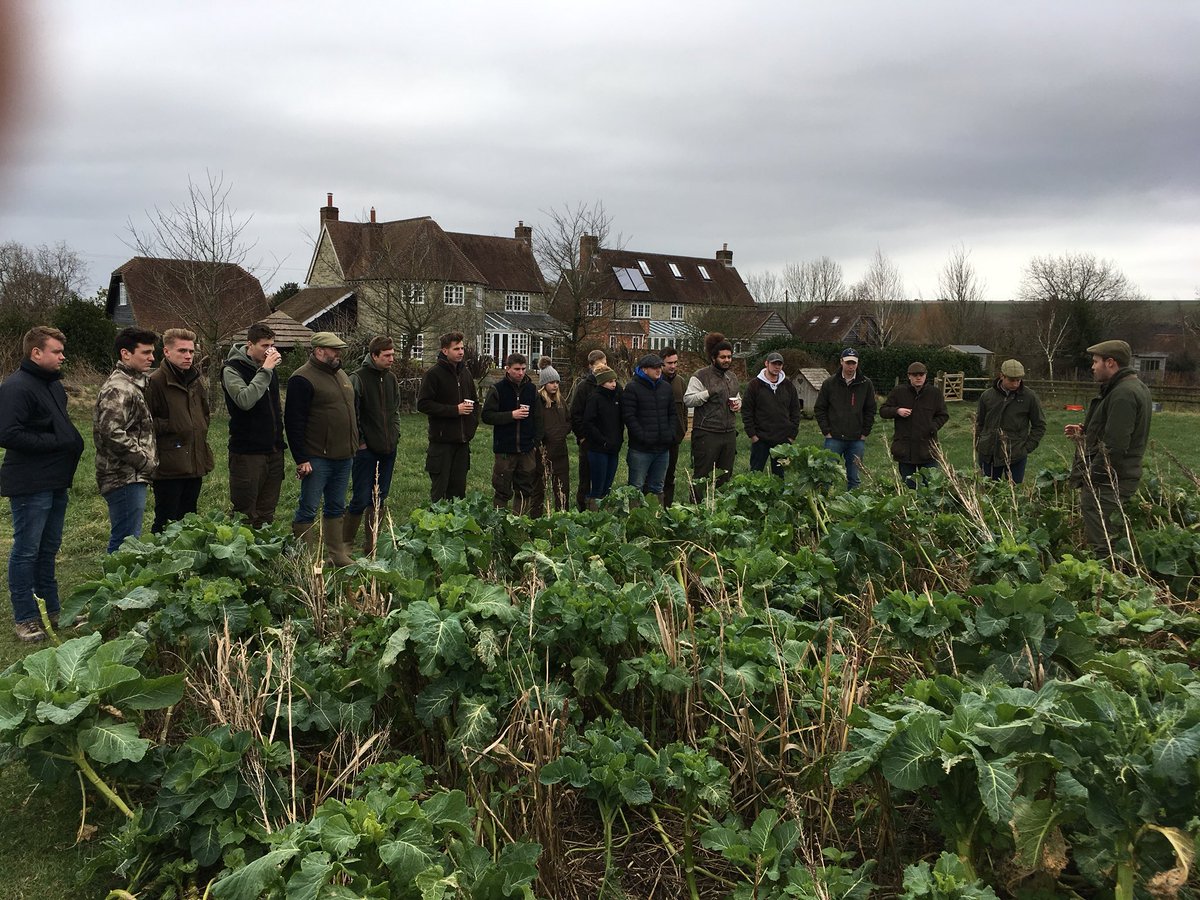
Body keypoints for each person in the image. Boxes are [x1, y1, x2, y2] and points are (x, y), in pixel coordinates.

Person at [0, 326, 85, 642]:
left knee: (48, 550)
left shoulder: (52, 386)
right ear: (36, 353)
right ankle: (25, 617)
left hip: (55, 480)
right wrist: (56, 441)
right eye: (57, 351)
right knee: (26, 551)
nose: (63, 356)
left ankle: (53, 610)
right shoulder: (17, 388)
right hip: (30, 483)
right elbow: (7, 433)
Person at [1065, 340, 1152, 556]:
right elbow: (1115, 427)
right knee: (1107, 532)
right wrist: (1086, 432)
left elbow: (1115, 445)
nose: (1093, 367)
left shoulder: (1123, 393)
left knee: (1103, 541)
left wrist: (1091, 477)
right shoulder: (1131, 388)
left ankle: (1109, 578)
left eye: (1096, 362)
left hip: (1109, 480)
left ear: (1110, 363)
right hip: (1115, 476)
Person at [285, 331, 357, 565]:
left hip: (344, 456)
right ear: (319, 351)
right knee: (309, 507)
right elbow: (293, 422)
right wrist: (301, 458)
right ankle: (304, 559)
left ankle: (336, 555)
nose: (339, 354)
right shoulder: (302, 379)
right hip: (317, 457)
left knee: (336, 506)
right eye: (334, 350)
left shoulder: (342, 375)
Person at [94, 326, 159, 553]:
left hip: (131, 475)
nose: (152, 357)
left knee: (129, 538)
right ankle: (115, 587)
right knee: (125, 541)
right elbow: (111, 432)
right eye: (146, 352)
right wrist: (144, 461)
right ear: (125, 353)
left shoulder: (134, 384)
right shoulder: (119, 387)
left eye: (152, 352)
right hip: (123, 476)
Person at [146, 327, 213, 532]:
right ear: (166, 352)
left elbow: (204, 414)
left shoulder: (196, 380)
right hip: (169, 465)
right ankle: (159, 561)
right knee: (166, 521)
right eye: (182, 351)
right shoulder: (155, 381)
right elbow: (145, 422)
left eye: (191, 352)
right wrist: (173, 424)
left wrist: (197, 428)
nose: (188, 356)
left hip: (194, 460)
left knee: (190, 518)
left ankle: (186, 561)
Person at [222, 321, 285, 528]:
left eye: (272, 346)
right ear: (250, 345)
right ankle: (241, 555)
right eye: (264, 346)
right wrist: (265, 371)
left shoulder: (270, 369)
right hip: (248, 452)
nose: (269, 351)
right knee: (245, 513)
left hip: (273, 450)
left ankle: (263, 553)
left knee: (267, 511)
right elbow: (244, 400)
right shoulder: (232, 369)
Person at [346, 336, 401, 554]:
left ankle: (372, 546)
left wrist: (396, 434)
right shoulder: (357, 378)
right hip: (365, 450)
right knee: (360, 498)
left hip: (389, 447)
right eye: (387, 355)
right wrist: (360, 442)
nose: (391, 359)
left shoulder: (391, 379)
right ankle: (345, 547)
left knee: (379, 497)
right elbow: (352, 413)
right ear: (374, 355)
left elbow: (395, 410)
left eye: (393, 354)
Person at [416, 331, 479, 503]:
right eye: (456, 349)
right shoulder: (433, 374)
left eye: (462, 348)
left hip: (462, 443)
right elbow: (423, 404)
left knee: (458, 494)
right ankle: (435, 527)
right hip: (441, 443)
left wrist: (471, 426)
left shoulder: (466, 374)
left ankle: (457, 528)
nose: (461, 352)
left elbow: (476, 402)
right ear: (445, 351)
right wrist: (454, 410)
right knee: (439, 494)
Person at [482, 353, 544, 514]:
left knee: (524, 489)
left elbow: (539, 418)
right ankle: (498, 523)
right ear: (507, 369)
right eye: (517, 369)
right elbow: (486, 416)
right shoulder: (497, 389)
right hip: (505, 449)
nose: (521, 373)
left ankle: (519, 523)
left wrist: (535, 443)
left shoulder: (532, 390)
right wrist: (511, 415)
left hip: (527, 449)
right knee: (502, 489)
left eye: (524, 369)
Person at [684, 332, 741, 494]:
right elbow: (688, 400)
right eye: (723, 357)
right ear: (713, 358)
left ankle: (719, 511)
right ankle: (697, 509)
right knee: (702, 476)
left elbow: (737, 396)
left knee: (725, 476)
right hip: (707, 433)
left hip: (729, 432)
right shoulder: (700, 376)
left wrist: (738, 404)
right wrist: (707, 393)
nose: (727, 360)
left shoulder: (732, 377)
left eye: (729, 357)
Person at [975, 358, 1046, 484]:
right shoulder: (987, 396)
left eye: (1018, 380)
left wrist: (1027, 448)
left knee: (1015, 492)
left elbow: (1039, 425)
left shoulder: (1029, 397)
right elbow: (979, 423)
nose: (1015, 384)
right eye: (1011, 380)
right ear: (1001, 376)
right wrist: (979, 443)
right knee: (988, 491)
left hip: (1016, 454)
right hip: (988, 453)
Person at [814, 348, 877, 489]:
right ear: (841, 362)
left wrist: (864, 432)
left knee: (854, 477)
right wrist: (826, 431)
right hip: (834, 438)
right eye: (848, 363)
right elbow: (820, 408)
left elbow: (871, 409)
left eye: (853, 363)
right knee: (827, 476)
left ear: (857, 364)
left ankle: (853, 506)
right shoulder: (829, 383)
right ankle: (825, 504)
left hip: (856, 439)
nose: (851, 367)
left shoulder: (865, 384)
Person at [880, 361, 949, 488]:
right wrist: (897, 411)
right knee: (909, 487)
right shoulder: (898, 392)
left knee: (932, 486)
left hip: (927, 449)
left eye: (921, 374)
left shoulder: (934, 393)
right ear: (909, 376)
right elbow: (883, 411)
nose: (918, 377)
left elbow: (943, 415)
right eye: (915, 375)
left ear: (925, 376)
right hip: (905, 450)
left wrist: (932, 426)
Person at [621, 353, 677, 500]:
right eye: (654, 368)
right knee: (636, 487)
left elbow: (672, 413)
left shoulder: (665, 387)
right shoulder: (632, 388)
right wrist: (643, 436)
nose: (658, 370)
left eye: (660, 367)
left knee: (657, 487)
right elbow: (629, 416)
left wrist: (670, 434)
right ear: (644, 369)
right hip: (641, 449)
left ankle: (655, 519)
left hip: (662, 448)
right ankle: (633, 519)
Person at [742, 351, 801, 477]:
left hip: (782, 439)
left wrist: (791, 436)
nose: (777, 367)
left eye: (779, 364)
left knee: (779, 476)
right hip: (760, 438)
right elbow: (747, 411)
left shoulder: (788, 386)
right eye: (774, 364)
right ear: (766, 364)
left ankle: (778, 497)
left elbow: (795, 411)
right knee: (755, 475)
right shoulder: (754, 385)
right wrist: (752, 435)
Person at [569, 349, 608, 511]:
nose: (602, 368)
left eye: (605, 365)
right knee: (586, 478)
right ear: (590, 366)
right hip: (588, 441)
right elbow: (575, 414)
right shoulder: (583, 387)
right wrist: (582, 437)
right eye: (599, 365)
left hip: (605, 440)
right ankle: (582, 509)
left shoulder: (609, 384)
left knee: (603, 479)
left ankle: (600, 509)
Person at [582, 366, 623, 507]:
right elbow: (588, 423)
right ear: (601, 383)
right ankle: (592, 513)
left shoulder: (617, 396)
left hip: (614, 448)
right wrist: (602, 441)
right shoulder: (594, 398)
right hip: (598, 449)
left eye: (615, 381)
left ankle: (604, 513)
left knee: (608, 486)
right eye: (610, 381)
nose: (613, 384)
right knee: (597, 487)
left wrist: (618, 441)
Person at [537, 364, 571, 513]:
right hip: (543, 450)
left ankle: (562, 517)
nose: (555, 385)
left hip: (560, 451)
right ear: (544, 384)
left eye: (557, 382)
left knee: (562, 488)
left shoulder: (561, 402)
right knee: (540, 488)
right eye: (552, 382)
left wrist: (562, 432)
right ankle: (536, 517)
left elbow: (569, 420)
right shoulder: (538, 401)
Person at [661, 346, 688, 505]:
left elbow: (684, 408)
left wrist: (683, 428)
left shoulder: (680, 382)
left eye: (675, 362)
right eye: (669, 363)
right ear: (661, 363)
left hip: (675, 437)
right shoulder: (656, 380)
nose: (672, 366)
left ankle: (668, 507)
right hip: (657, 437)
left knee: (670, 475)